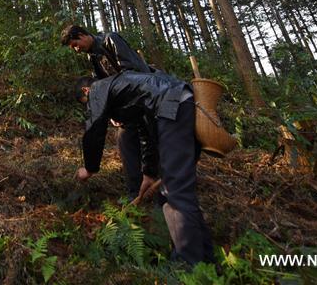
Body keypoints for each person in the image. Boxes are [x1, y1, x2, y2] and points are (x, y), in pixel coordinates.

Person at [72, 64, 214, 266]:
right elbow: (145, 132)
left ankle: (187, 264)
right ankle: (205, 260)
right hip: (180, 105)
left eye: (86, 103)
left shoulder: (98, 88)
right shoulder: (132, 92)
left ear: (86, 90)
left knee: (174, 192)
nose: (90, 106)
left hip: (172, 106)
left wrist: (90, 168)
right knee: (176, 189)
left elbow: (95, 127)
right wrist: (149, 172)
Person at [61, 24, 154, 200]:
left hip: (145, 98)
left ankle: (161, 194)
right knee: (125, 142)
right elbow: (104, 86)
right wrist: (112, 113)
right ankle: (135, 194)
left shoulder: (111, 40)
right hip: (126, 108)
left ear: (82, 35)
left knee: (153, 142)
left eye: (75, 44)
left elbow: (131, 73)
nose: (75, 49)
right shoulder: (92, 58)